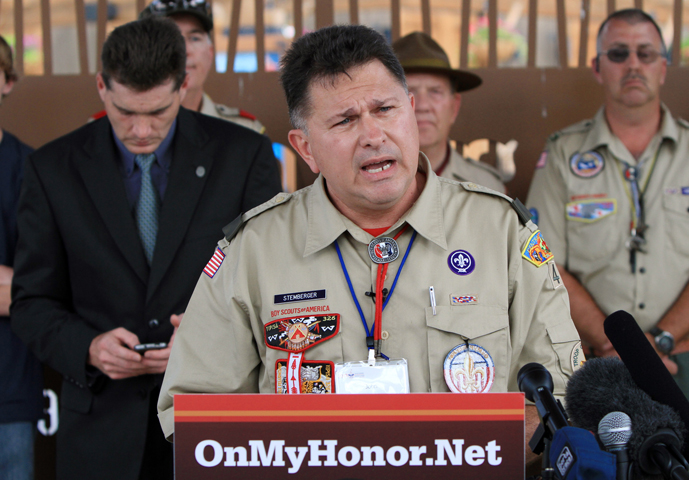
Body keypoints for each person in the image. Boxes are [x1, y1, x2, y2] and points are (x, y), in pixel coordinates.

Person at [158, 24, 583, 467]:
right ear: (306, 148)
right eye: (345, 120)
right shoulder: (255, 249)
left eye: (385, 109)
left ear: (411, 111)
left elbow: (563, 398)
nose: (373, 135)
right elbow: (192, 417)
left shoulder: (501, 232)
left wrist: (440, 455)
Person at [10, 18, 281, 480]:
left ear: (183, 85)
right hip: (99, 430)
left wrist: (205, 343)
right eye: (124, 112)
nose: (139, 130)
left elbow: (273, 288)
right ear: (101, 86)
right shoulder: (52, 168)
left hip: (212, 422)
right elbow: (32, 303)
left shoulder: (243, 155)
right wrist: (89, 347)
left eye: (157, 113)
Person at [526, 9, 689, 437]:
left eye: (646, 53)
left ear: (663, 67)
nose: (633, 64)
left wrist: (658, 345)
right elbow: (546, 262)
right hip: (596, 363)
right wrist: (614, 345)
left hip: (685, 358)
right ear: (598, 68)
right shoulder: (563, 153)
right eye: (618, 54)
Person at [392, 31, 509, 193]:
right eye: (409, 92)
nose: (423, 105)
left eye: (435, 91)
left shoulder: (486, 186)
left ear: (454, 107)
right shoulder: (366, 186)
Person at [0, 35, 41, 480]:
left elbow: (40, 292)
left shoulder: (33, 170)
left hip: (9, 389)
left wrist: (22, 288)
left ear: (8, 81)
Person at [135, 0, 266, 133]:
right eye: (169, 39)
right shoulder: (124, 132)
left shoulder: (245, 132)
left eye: (195, 38)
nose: (185, 50)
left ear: (210, 53)